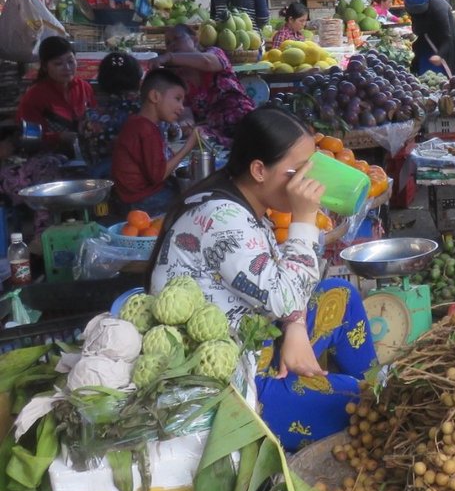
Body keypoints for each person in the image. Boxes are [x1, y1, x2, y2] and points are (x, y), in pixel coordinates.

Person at [148, 107, 377, 451]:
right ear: (258, 170)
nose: (308, 183)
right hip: (232, 384)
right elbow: (284, 295)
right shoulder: (223, 218)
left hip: (259, 339)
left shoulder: (246, 206)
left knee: (339, 296)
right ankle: (348, 398)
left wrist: (296, 326)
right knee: (365, 407)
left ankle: (368, 383)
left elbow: (287, 289)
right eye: (297, 172)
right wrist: (303, 218)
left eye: (311, 168)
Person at [111, 69, 198, 217]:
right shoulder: (146, 130)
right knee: (193, 203)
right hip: (140, 200)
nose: (182, 107)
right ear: (155, 96)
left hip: (135, 195)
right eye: (177, 99)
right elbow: (159, 175)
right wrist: (188, 147)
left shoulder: (142, 124)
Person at [156, 23, 256, 144]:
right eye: (168, 43)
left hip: (246, 123)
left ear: (194, 39)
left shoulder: (214, 53)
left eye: (177, 39)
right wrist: (183, 125)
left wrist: (169, 57)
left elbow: (207, 62)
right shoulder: (179, 79)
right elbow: (186, 113)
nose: (172, 45)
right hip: (217, 138)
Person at [17, 36, 96, 147]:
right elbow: (29, 137)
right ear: (45, 67)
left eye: (70, 61)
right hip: (49, 154)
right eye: (58, 63)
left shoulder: (84, 87)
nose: (67, 68)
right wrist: (58, 137)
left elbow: (95, 120)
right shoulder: (34, 96)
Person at [81, 50, 144, 174]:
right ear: (138, 80)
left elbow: (86, 155)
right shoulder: (149, 109)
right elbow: (173, 133)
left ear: (101, 81)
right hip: (142, 181)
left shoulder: (89, 117)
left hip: (101, 182)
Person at [402, 0, 455, 75]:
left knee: (449, 69)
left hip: (445, 35)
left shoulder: (439, 9)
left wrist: (440, 55)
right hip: (427, 34)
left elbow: (447, 37)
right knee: (422, 65)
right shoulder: (410, 3)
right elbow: (417, 24)